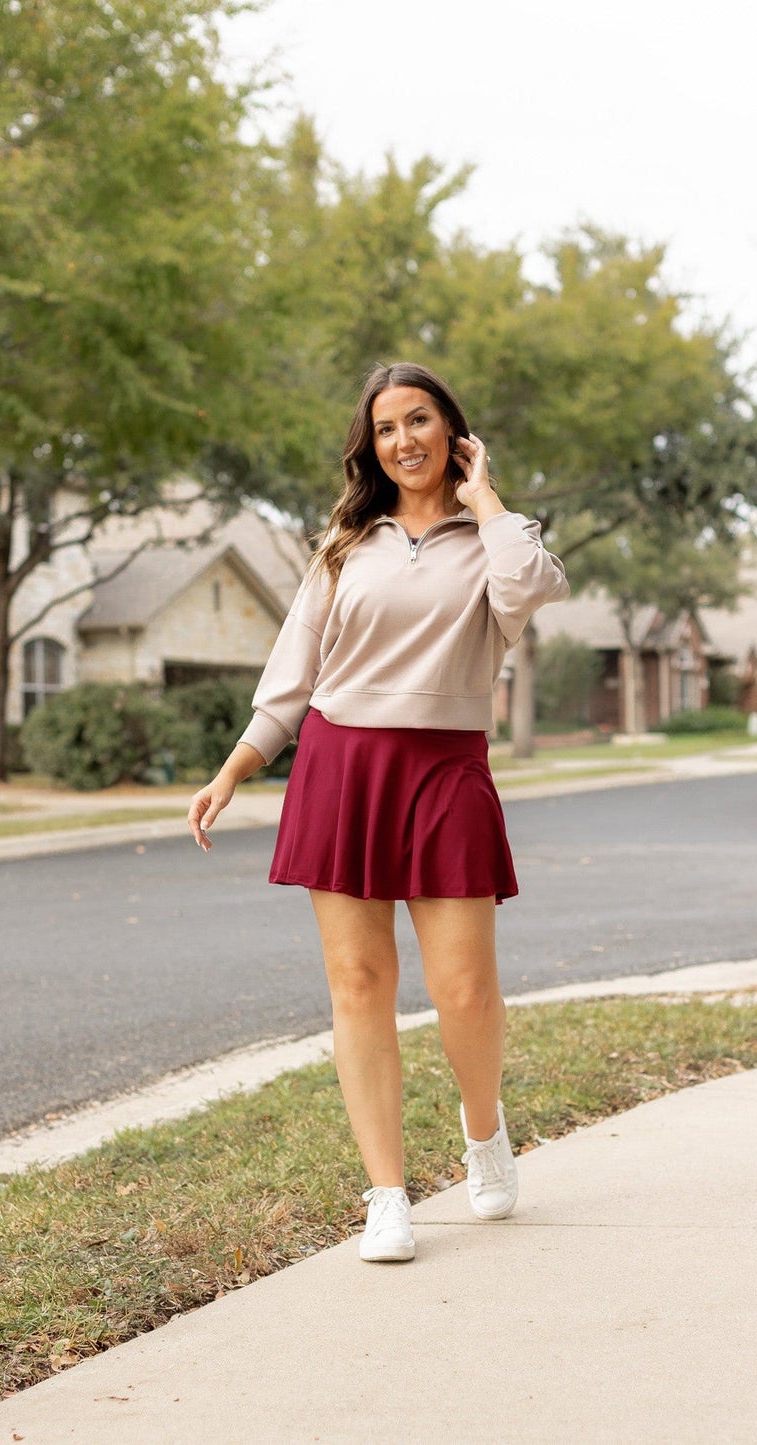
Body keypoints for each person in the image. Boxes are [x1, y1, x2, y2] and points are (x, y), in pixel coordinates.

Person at [187, 361, 569, 1262]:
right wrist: (235, 767)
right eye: (387, 426)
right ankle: (387, 1194)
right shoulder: (343, 546)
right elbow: (293, 675)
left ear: (453, 432)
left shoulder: (498, 540)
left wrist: (487, 500)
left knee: (464, 989)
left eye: (420, 419)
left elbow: (532, 590)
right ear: (371, 445)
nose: (404, 439)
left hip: (445, 767)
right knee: (358, 986)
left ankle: (484, 1133)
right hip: (340, 765)